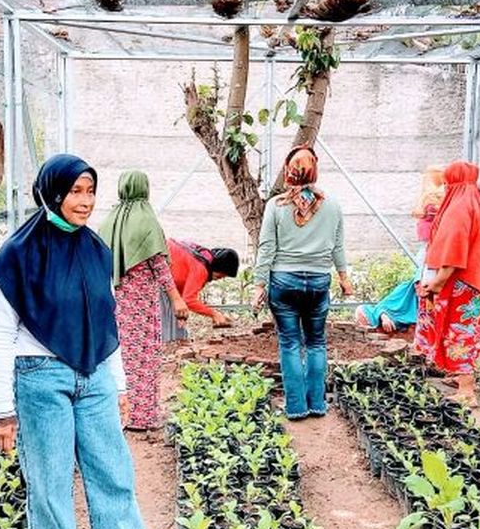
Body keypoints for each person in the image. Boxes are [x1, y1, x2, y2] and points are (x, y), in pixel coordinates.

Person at [0, 155, 189, 529]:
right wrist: (2, 408)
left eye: (90, 190)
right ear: (52, 191)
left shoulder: (96, 249)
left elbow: (106, 319)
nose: (86, 201)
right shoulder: (18, 254)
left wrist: (118, 386)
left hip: (94, 376)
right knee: (51, 489)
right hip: (39, 377)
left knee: (115, 480)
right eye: (76, 191)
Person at [252, 145, 353, 420]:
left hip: (284, 282)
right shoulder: (333, 205)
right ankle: (318, 405)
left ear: (289, 171)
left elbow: (266, 247)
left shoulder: (276, 206)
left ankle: (296, 407)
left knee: (290, 344)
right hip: (319, 282)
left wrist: (259, 284)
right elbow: (338, 247)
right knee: (317, 343)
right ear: (315, 171)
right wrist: (344, 278)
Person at [99, 171, 189, 432]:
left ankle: (119, 415)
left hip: (116, 302)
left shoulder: (110, 220)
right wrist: (176, 299)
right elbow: (159, 265)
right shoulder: (146, 219)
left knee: (120, 357)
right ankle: (142, 417)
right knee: (144, 358)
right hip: (142, 305)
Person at [414, 161, 480, 407]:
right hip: (479, 281)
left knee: (460, 333)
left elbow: (455, 249)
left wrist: (438, 282)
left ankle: (466, 391)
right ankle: (460, 378)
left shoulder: (459, 207)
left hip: (463, 283)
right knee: (469, 332)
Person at [355, 166, 445, 332]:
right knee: (413, 290)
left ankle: (388, 315)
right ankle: (387, 315)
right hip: (431, 253)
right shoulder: (435, 201)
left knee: (419, 290)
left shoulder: (435, 200)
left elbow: (419, 213)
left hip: (435, 253)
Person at [167, 238, 241, 329]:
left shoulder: (201, 257)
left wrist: (181, 313)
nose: (222, 277)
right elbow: (189, 300)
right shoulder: (201, 268)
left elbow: (181, 289)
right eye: (222, 274)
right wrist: (214, 314)